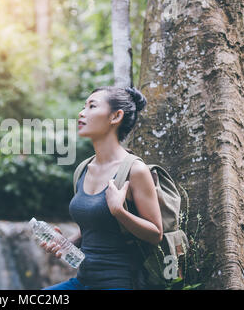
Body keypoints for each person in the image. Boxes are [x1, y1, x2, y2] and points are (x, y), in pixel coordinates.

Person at [40, 86, 162, 290]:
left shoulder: (135, 170)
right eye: (83, 106)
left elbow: (156, 234)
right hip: (83, 282)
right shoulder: (83, 170)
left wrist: (119, 212)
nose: (82, 112)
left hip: (120, 283)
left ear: (116, 116)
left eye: (92, 106)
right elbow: (95, 228)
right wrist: (66, 242)